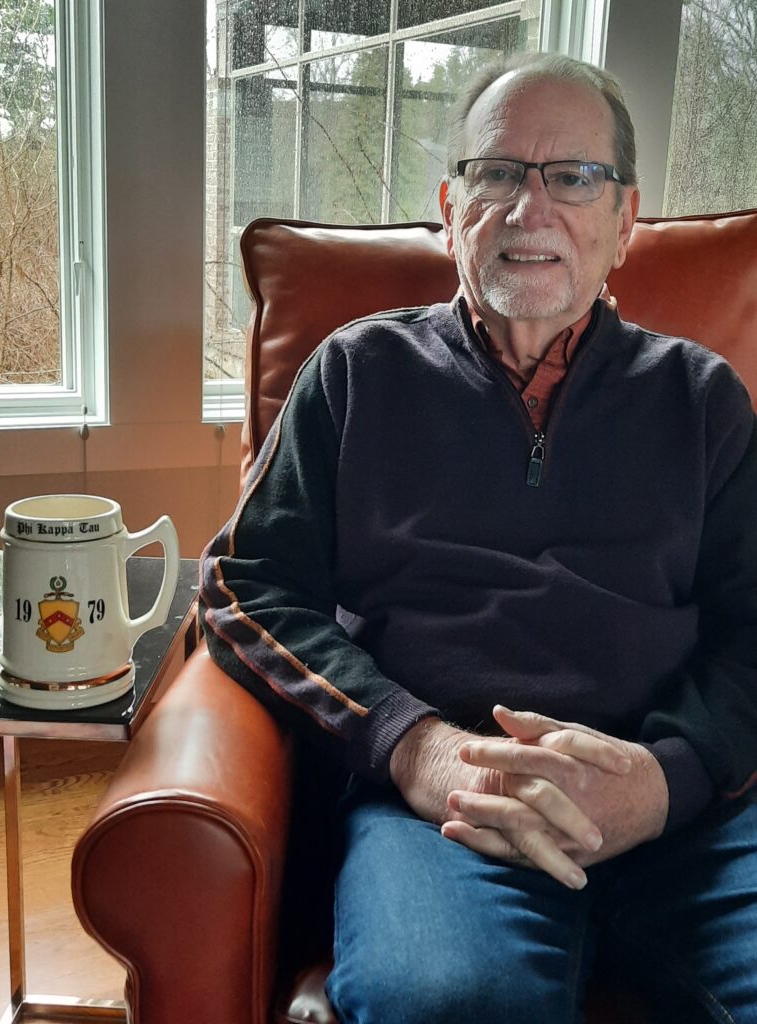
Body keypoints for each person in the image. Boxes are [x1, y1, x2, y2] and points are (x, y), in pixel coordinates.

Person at [200, 51, 757, 1023]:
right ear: (451, 207)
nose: (530, 207)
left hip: (678, 812)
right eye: (498, 173)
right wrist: (413, 745)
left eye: (574, 176)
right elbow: (247, 586)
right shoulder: (358, 374)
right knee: (444, 998)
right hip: (449, 807)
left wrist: (671, 780)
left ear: (625, 222)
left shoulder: (703, 400)